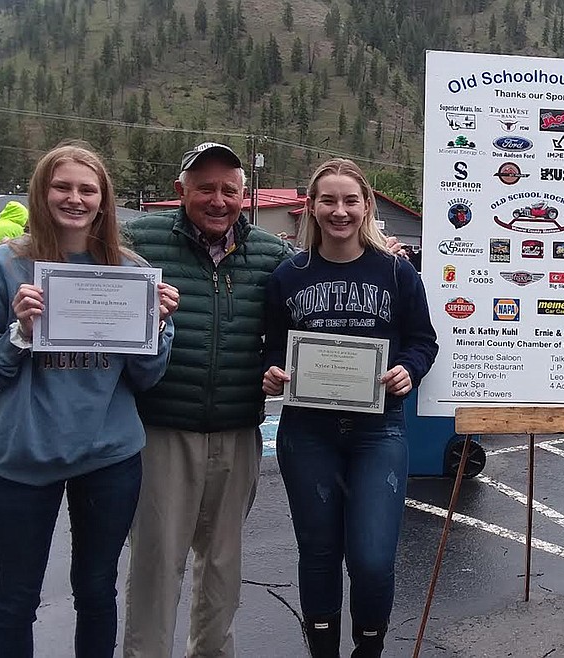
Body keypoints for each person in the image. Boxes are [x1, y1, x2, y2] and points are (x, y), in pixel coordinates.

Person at [0, 142, 178, 656]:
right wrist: (19, 333)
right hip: (22, 459)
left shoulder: (131, 270)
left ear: (103, 199)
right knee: (17, 598)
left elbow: (147, 377)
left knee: (97, 592)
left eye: (87, 189)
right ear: (41, 192)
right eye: (62, 187)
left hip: (109, 458)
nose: (74, 198)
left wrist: (157, 327)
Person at [122, 142, 293, 658]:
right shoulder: (136, 241)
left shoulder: (270, 254)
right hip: (161, 429)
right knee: (157, 562)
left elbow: (315, 296)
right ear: (181, 192)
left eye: (229, 190)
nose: (218, 200)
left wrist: (384, 258)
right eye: (205, 188)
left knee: (222, 565)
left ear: (245, 195)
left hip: (239, 431)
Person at [261, 158, 437, 658]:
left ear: (367, 207)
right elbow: (273, 348)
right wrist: (271, 372)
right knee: (317, 554)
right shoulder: (288, 276)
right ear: (311, 208)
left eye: (350, 201)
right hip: (307, 431)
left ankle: (368, 649)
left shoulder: (397, 273)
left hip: (377, 431)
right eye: (328, 200)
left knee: (373, 558)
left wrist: (409, 369)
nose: (339, 211)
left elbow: (423, 341)